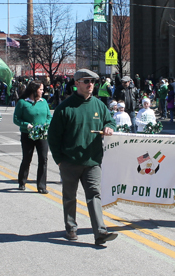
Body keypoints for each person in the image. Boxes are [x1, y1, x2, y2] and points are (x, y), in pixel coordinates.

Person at [48, 68, 118, 246]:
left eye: (93, 82)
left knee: (94, 195)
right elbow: (53, 136)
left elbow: (109, 121)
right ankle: (71, 227)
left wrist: (109, 127)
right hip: (69, 162)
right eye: (86, 81)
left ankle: (100, 232)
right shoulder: (65, 107)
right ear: (77, 83)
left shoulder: (99, 105)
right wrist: (59, 159)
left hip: (93, 161)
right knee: (70, 196)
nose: (90, 85)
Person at [13, 80, 52, 193]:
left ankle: (41, 186)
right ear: (34, 91)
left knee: (43, 159)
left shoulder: (43, 102)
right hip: (28, 134)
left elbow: (49, 116)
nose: (43, 91)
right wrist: (26, 125)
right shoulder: (23, 103)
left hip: (42, 135)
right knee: (27, 158)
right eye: (40, 89)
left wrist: (46, 124)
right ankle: (22, 181)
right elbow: (16, 119)